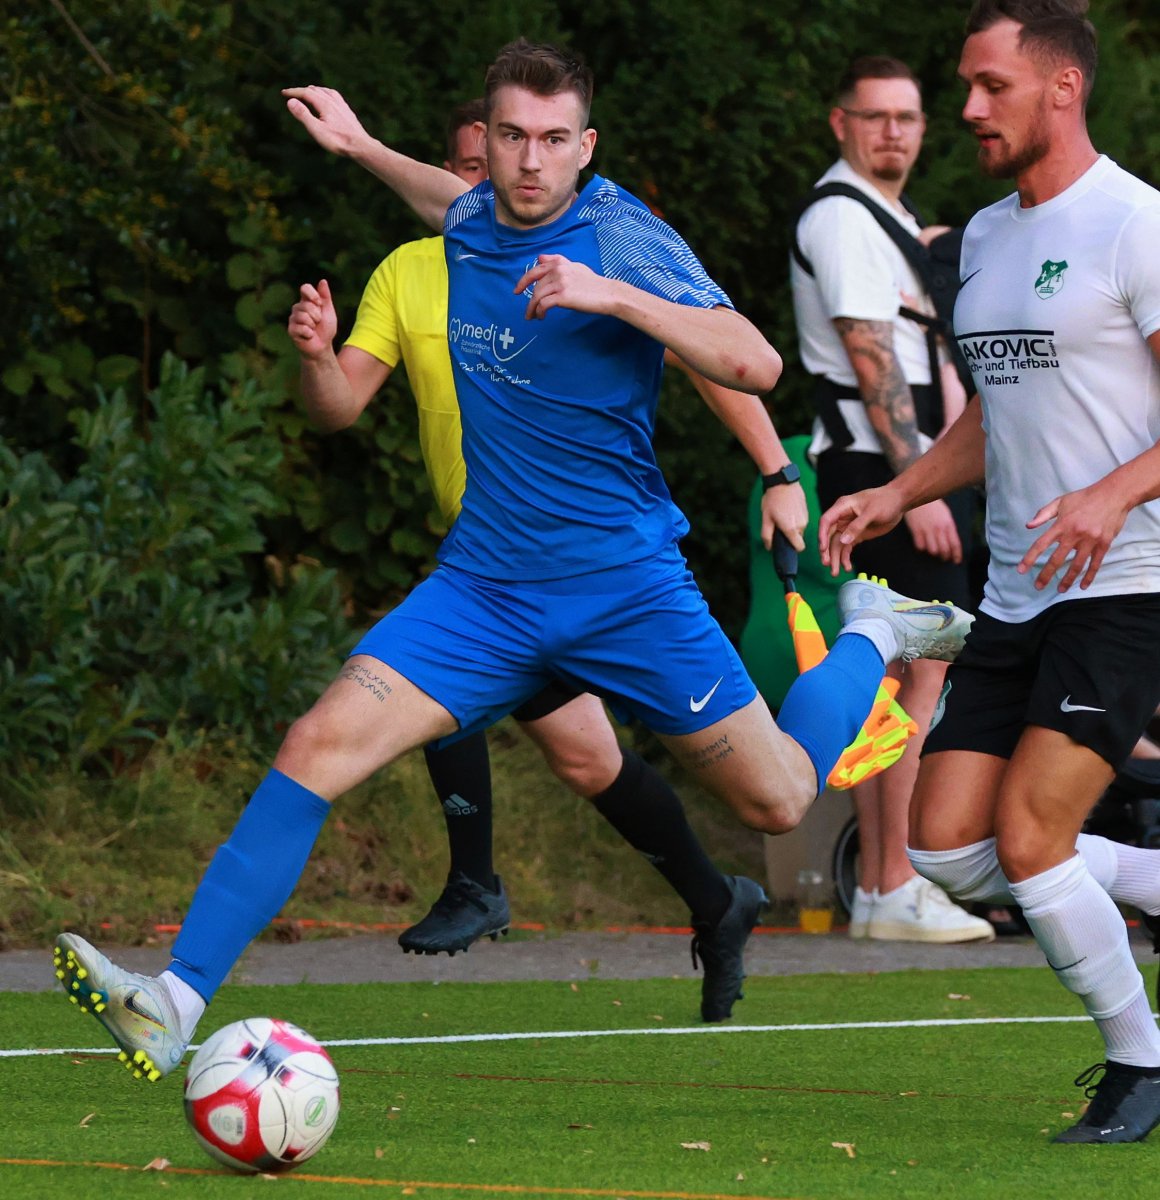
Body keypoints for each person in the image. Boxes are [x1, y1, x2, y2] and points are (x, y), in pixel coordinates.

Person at [54, 38, 971, 1084]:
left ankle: (869, 628)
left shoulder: (620, 234)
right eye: (509, 138)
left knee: (774, 797)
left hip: (626, 590)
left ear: (584, 146)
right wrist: (354, 144)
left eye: (551, 141)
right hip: (482, 590)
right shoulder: (471, 217)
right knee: (316, 744)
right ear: (482, 144)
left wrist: (612, 297)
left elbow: (754, 360)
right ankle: (171, 1002)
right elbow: (438, 203)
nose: (529, 162)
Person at [290, 97, 796, 1023]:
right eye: (475, 170)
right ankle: (697, 903)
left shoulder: (579, 259)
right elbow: (339, 404)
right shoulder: (416, 270)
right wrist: (321, 350)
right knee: (577, 755)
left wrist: (776, 468)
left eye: (527, 156)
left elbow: (710, 353)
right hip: (489, 569)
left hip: (587, 567)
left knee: (598, 759)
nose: (498, 187)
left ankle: (665, 897)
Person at [820, 0, 1160, 1144]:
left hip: (1126, 585)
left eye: (988, 87)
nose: (964, 109)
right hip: (1014, 593)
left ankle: (1139, 1066)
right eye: (963, 86)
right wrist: (899, 487)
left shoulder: (1133, 225)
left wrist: (1113, 491)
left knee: (1029, 840)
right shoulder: (979, 237)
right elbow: (993, 417)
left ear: (1060, 88)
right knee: (947, 849)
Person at [791, 56, 992, 944]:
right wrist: (916, 491)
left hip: (893, 465)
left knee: (903, 670)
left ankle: (883, 885)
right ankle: (893, 879)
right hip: (881, 466)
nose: (894, 133)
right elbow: (872, 357)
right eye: (875, 118)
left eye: (908, 117)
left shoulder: (892, 220)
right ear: (841, 123)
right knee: (919, 663)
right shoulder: (842, 217)